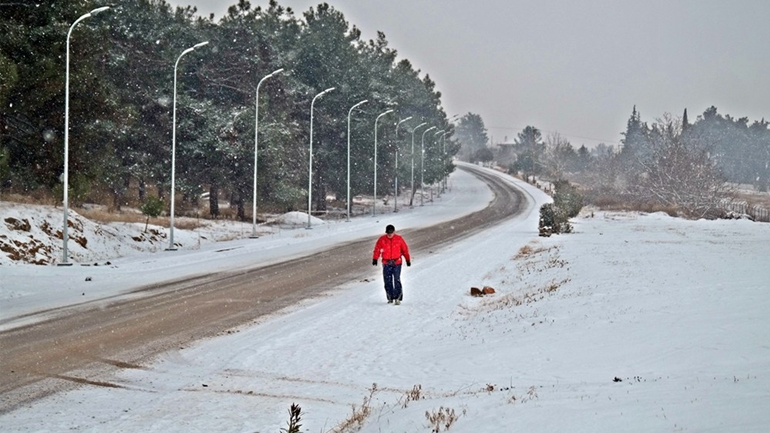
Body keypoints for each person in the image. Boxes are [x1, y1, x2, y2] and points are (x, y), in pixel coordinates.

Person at [372, 224, 411, 305]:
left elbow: (405, 250)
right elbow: (377, 249)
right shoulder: (382, 239)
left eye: (391, 233)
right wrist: (375, 258)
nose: (389, 234)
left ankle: (398, 298)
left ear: (394, 232)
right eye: (388, 233)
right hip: (386, 263)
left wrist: (407, 259)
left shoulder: (399, 239)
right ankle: (390, 297)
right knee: (387, 281)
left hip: (397, 262)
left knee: (396, 279)